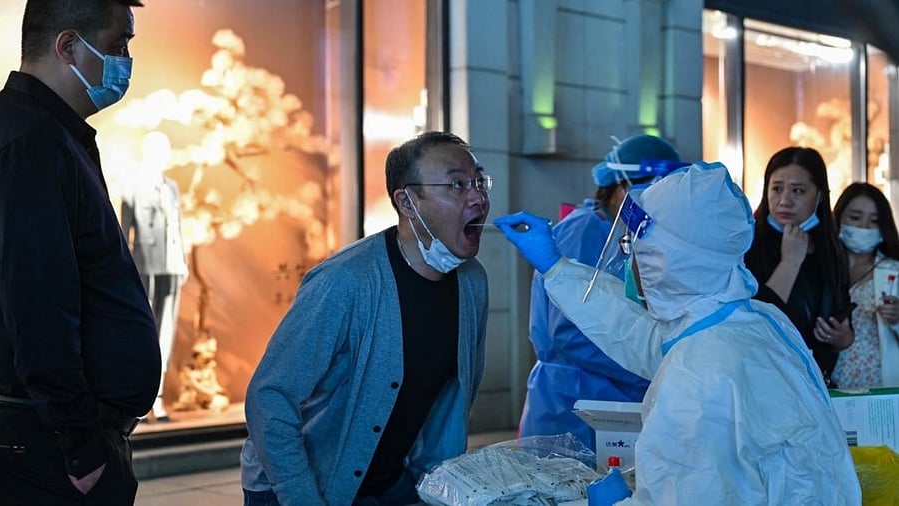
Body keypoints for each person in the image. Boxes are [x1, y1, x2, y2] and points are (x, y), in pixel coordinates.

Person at [496, 162, 861, 504]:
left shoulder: (699, 375)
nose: (632, 261)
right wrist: (557, 269)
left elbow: (685, 495)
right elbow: (641, 336)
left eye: (635, 249)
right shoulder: (748, 321)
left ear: (663, 262)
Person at [240, 131, 491, 506]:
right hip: (299, 487)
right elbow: (270, 396)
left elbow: (453, 399)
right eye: (456, 184)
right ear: (407, 202)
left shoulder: (472, 281)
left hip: (393, 483)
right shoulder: (346, 281)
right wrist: (301, 497)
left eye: (477, 181)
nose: (478, 197)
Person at [0, 1, 160, 505]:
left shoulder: (53, 135)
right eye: (118, 46)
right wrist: (82, 448)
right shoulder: (32, 143)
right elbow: (39, 305)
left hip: (57, 437)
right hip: (49, 448)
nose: (126, 61)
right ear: (68, 46)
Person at [520, 134, 684, 450]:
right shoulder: (584, 230)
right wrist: (649, 368)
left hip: (618, 401)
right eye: (654, 190)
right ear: (622, 187)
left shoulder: (630, 233)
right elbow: (569, 332)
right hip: (574, 402)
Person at [744, 146, 855, 387]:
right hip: (767, 381)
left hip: (817, 383)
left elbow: (842, 311)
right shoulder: (748, 243)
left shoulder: (832, 249)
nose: (784, 201)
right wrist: (790, 262)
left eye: (798, 191)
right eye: (776, 189)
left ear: (819, 196)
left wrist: (843, 337)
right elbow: (756, 317)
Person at [120, 162, 189, 421]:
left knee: (166, 332)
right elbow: (125, 231)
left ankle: (158, 400)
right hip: (143, 265)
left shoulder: (171, 187)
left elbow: (177, 227)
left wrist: (182, 260)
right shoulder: (133, 187)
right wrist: (124, 267)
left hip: (171, 266)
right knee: (143, 331)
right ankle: (139, 400)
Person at [831, 182, 899, 388]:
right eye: (855, 217)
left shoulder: (894, 271)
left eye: (874, 221)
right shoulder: (822, 270)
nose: (863, 227)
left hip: (880, 385)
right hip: (829, 385)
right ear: (839, 218)